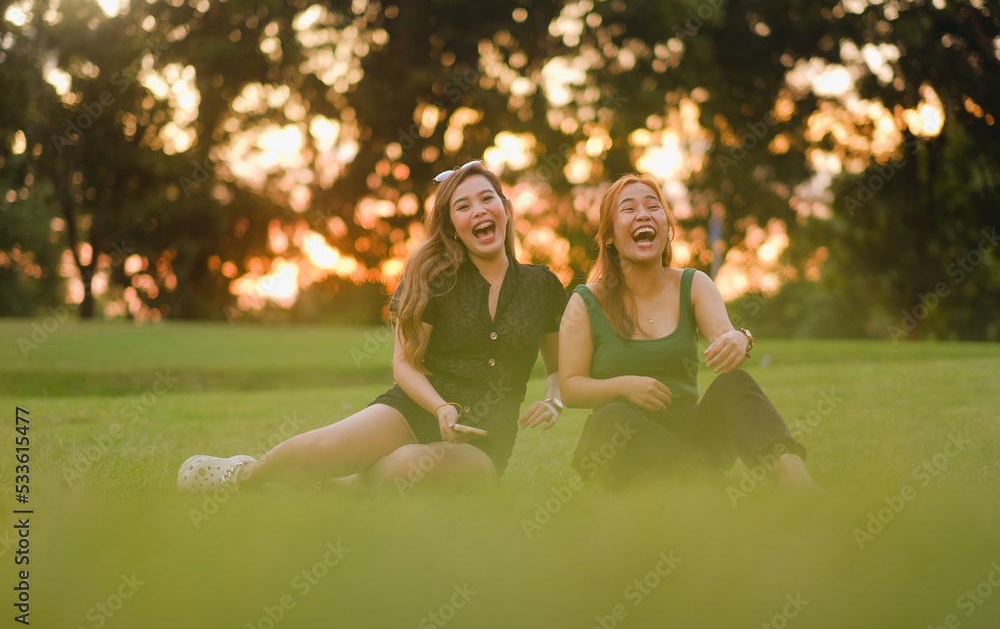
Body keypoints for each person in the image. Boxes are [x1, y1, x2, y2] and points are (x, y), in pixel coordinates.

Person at [177, 161, 568, 495]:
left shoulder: (543, 286)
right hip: (416, 408)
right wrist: (440, 407)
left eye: (487, 198)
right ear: (452, 226)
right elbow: (405, 366)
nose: (479, 210)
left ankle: (338, 483)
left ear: (505, 208)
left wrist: (553, 400)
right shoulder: (436, 280)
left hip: (485, 442)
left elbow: (558, 368)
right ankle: (244, 475)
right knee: (325, 447)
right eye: (463, 206)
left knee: (408, 467)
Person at [559, 173, 822, 495]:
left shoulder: (694, 284)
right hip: (621, 449)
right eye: (628, 209)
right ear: (610, 235)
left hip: (691, 437)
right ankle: (712, 486)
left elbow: (723, 334)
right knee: (612, 416)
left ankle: (796, 482)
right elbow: (570, 388)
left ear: (667, 228)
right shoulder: (586, 302)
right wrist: (624, 386)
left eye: (653, 206)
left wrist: (740, 338)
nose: (643, 214)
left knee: (735, 383)